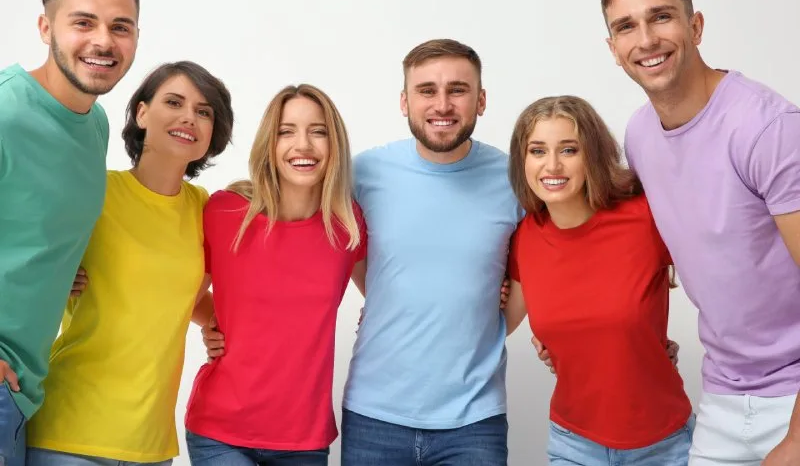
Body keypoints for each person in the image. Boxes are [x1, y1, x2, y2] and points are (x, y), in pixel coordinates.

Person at [601, 0, 800, 466]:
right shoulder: (640, 134)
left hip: (794, 395)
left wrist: (798, 438)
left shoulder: (768, 128)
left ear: (695, 26)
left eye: (661, 17)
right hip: (722, 396)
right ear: (613, 49)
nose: (646, 39)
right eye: (627, 26)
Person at [23, 61, 234, 465]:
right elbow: (20, 258)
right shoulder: (93, 191)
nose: (189, 117)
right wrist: (53, 279)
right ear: (141, 113)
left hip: (151, 444)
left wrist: (217, 323)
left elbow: (180, 294)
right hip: (68, 432)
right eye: (174, 102)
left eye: (204, 111)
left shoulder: (206, 211)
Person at [339, 39, 522, 466]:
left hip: (475, 419)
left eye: (458, 90)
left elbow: (550, 258)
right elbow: (338, 248)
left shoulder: (515, 178)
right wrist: (386, 295)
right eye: (426, 90)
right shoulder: (362, 173)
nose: (442, 104)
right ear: (404, 101)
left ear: (481, 100)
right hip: (373, 414)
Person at [0, 0, 139, 466]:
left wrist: (60, 268)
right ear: (45, 28)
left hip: (26, 389)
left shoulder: (95, 124)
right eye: (83, 22)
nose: (103, 41)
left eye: (120, 27)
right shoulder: (6, 112)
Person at [502, 95, 694, 465]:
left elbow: (722, 280)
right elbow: (499, 325)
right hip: (574, 444)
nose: (552, 165)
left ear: (592, 154)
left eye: (569, 150)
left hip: (662, 444)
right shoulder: (524, 239)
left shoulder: (644, 218)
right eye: (537, 151)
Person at [185, 84, 366, 466]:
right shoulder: (225, 212)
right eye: (287, 131)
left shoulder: (347, 225)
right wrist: (213, 322)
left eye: (318, 131)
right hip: (220, 431)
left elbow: (386, 297)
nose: (303, 145)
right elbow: (178, 295)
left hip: (304, 439)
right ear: (270, 142)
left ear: (334, 144)